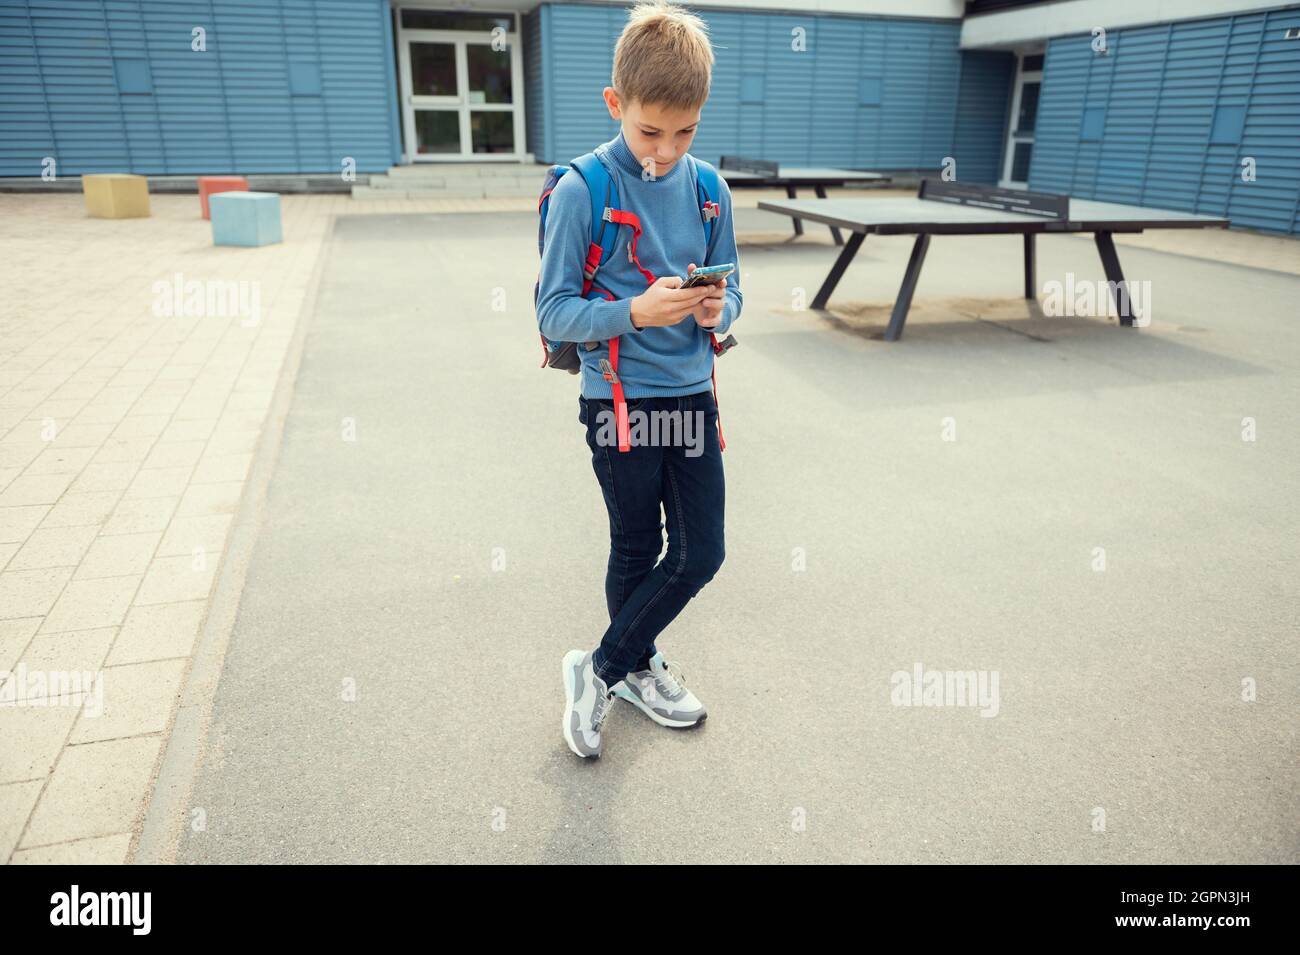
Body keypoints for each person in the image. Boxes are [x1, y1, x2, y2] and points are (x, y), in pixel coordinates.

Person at [536, 1, 743, 759]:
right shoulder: (580, 190)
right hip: (617, 404)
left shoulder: (711, 189)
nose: (666, 148)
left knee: (701, 553)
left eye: (684, 131)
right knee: (635, 546)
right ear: (615, 104)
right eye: (649, 130)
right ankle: (636, 666)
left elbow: (737, 299)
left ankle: (601, 667)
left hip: (690, 398)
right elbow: (555, 311)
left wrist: (718, 308)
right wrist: (636, 312)